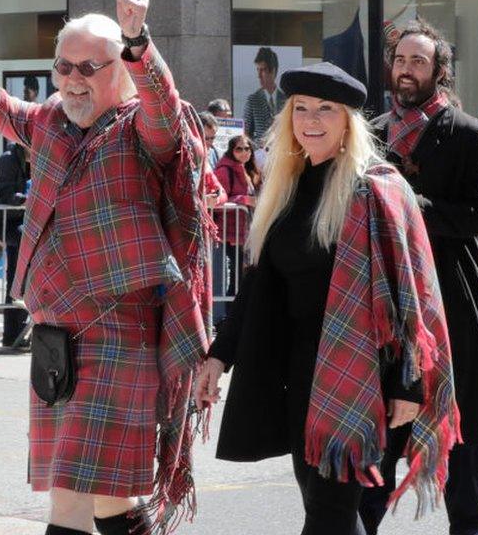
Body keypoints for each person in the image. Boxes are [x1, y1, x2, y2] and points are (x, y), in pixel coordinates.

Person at [0, 0, 210, 535]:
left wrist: (139, 42)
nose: (73, 81)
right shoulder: (49, 122)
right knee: (107, 500)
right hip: (55, 332)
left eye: (89, 68)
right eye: (64, 67)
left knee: (70, 498)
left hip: (119, 331)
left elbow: (163, 104)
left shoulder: (146, 130)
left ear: (121, 71)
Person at [195, 62, 460, 535]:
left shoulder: (374, 187)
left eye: (325, 110)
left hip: (361, 374)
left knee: (328, 514)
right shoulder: (284, 186)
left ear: (348, 121)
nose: (311, 121)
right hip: (297, 372)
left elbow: (410, 297)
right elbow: (257, 285)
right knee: (325, 506)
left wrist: (409, 384)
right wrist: (220, 356)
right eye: (300, 109)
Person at [364, 18, 478, 535]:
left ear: (438, 70)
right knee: (381, 435)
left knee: (460, 428)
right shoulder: (371, 133)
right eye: (400, 60)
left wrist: (413, 207)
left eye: (418, 61)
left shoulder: (467, 133)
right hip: (386, 304)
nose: (406, 70)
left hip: (451, 300)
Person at [213, 134, 261, 296]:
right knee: (234, 276)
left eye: (247, 148)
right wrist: (244, 200)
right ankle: (228, 315)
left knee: (242, 274)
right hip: (229, 231)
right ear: (231, 151)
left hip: (245, 231)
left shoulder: (248, 169)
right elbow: (219, 200)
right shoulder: (225, 170)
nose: (243, 152)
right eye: (239, 149)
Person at [0, 140, 31, 348]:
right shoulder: (8, 159)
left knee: (28, 281)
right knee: (16, 280)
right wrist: (25, 200)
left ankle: (23, 328)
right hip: (12, 222)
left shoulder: (43, 156)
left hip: (30, 222)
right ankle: (11, 333)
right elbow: (4, 192)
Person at [242, 46, 288, 166]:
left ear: (273, 71)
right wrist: (256, 148)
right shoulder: (253, 99)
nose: (259, 75)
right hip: (260, 157)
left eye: (263, 70)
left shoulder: (286, 99)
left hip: (283, 155)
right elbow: (246, 132)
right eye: (258, 70)